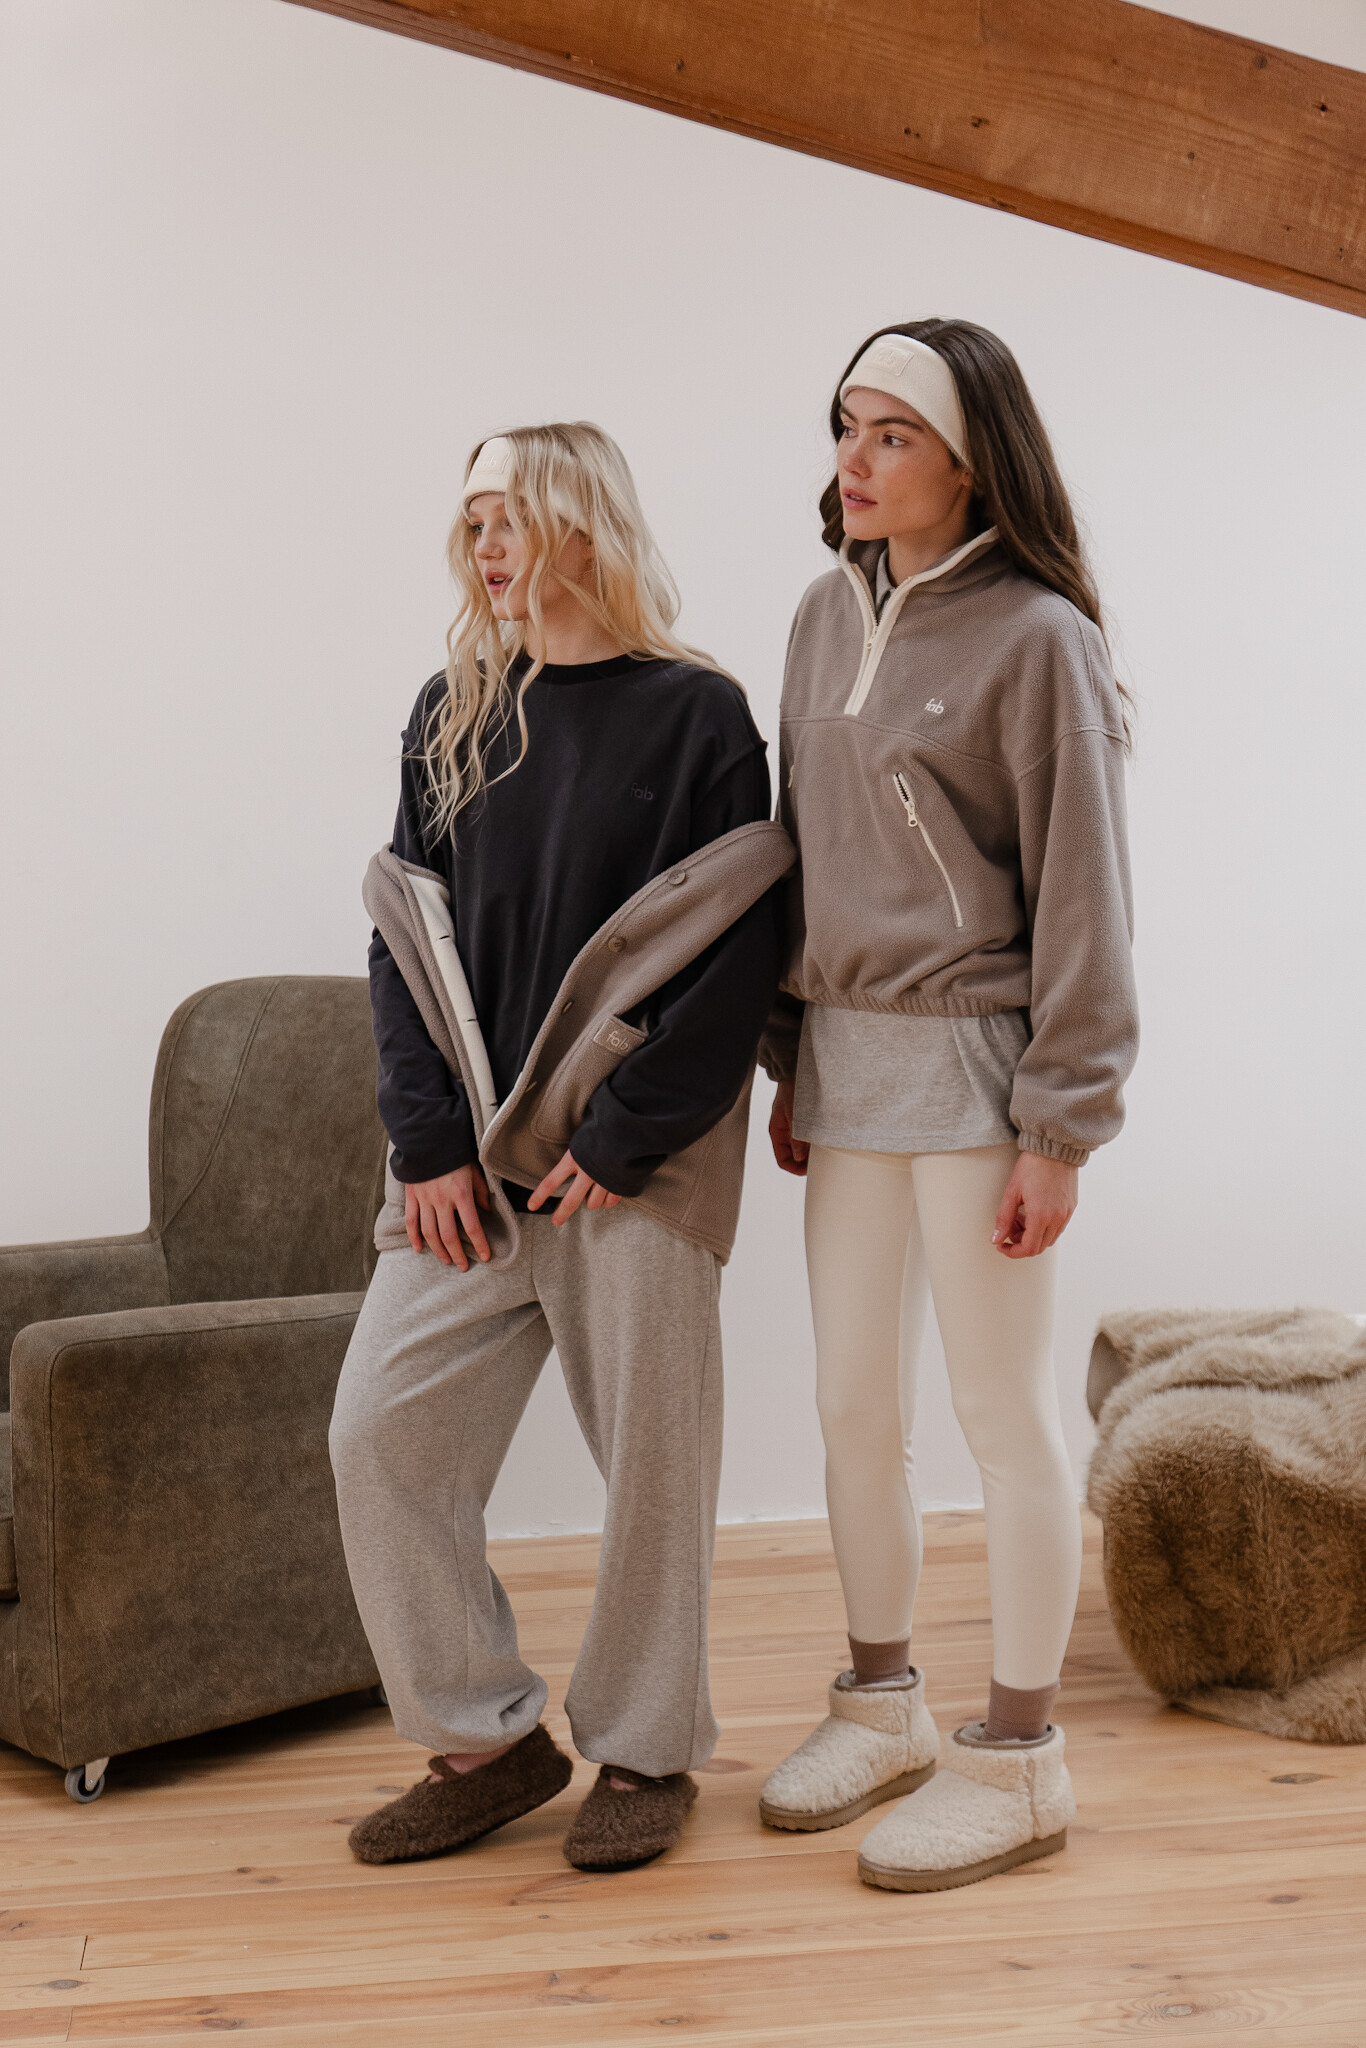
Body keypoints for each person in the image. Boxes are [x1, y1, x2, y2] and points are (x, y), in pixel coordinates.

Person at [330, 422, 790, 1874]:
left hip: (627, 1167)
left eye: (510, 517)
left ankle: (646, 1754)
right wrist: (425, 1145)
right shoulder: (454, 710)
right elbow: (404, 939)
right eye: (471, 522)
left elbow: (735, 944)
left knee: (653, 1467)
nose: (485, 547)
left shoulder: (699, 715)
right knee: (379, 1435)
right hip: (469, 1163)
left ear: (583, 523)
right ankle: (484, 1744)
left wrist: (630, 1134)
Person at [757, 321, 1139, 1891]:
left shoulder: (1039, 638)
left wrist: (1061, 1126)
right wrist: (788, 1054)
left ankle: (1019, 1758)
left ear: (971, 460)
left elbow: (1086, 897)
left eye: (890, 433)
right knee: (853, 1405)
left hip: (982, 1074)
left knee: (1002, 1420)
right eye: (845, 427)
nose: (852, 460)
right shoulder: (815, 614)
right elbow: (790, 849)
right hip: (844, 1069)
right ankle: (882, 1704)